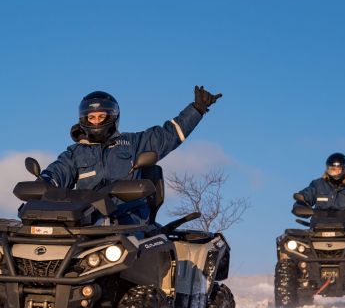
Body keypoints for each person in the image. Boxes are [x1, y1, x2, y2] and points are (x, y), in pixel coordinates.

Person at [40, 86, 222, 223]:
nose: (96, 122)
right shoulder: (75, 153)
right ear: (84, 120)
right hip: (87, 217)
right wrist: (42, 183)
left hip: (128, 217)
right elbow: (58, 172)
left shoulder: (132, 143)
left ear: (112, 117)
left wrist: (197, 109)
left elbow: (168, 135)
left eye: (101, 117)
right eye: (91, 117)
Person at [294, 152, 345, 227]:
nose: (335, 172)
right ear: (327, 169)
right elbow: (306, 195)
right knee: (286, 238)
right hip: (318, 230)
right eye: (332, 169)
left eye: (338, 169)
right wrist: (300, 203)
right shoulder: (318, 184)